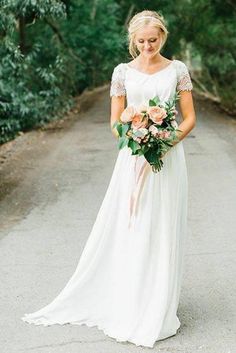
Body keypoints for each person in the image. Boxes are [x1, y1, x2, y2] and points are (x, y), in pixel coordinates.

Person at [21, 9, 196, 349]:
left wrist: (163, 141)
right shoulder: (122, 73)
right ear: (133, 40)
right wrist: (138, 136)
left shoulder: (177, 70)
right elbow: (115, 121)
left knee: (161, 224)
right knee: (133, 224)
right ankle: (131, 297)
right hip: (132, 160)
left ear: (163, 37)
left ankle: (159, 301)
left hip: (168, 160)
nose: (148, 46)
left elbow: (188, 118)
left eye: (154, 40)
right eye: (142, 41)